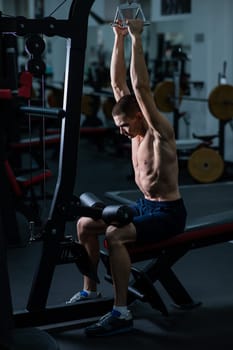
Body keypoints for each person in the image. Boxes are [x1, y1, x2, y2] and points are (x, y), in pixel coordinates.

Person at [66, 19, 187, 337]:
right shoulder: (132, 129)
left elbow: (140, 89)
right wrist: (117, 38)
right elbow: (119, 85)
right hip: (144, 204)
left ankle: (121, 311)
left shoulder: (160, 133)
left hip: (168, 213)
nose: (120, 131)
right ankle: (90, 291)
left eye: (124, 125)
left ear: (140, 115)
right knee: (84, 225)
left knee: (116, 236)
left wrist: (136, 38)